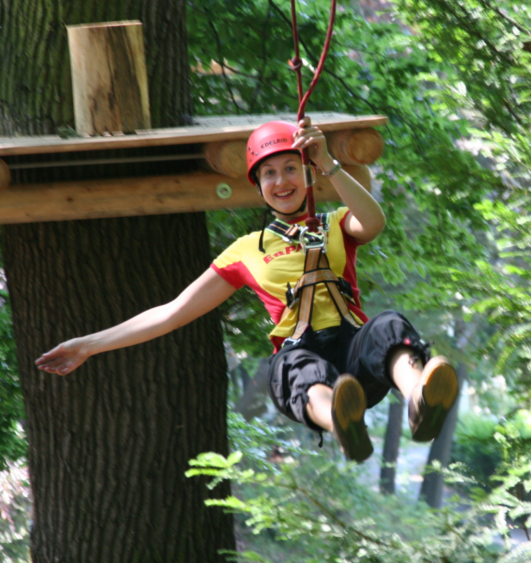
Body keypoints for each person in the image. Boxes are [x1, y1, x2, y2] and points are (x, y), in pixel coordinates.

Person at [35, 117, 458, 462]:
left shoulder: (334, 224)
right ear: (258, 187)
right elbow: (173, 311)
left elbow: (374, 222)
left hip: (355, 350)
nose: (281, 181)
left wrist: (328, 162)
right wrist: (90, 344)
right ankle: (341, 422)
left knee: (388, 325)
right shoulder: (245, 252)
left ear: (308, 176)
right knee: (294, 368)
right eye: (269, 174)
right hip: (303, 352)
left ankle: (420, 398)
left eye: (291, 168)